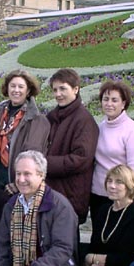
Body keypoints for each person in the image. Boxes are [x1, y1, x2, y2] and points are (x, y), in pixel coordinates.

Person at [45, 68, 99, 225]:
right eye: (55, 90)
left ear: (76, 89)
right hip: (52, 191)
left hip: (71, 193)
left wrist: (44, 163)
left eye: (63, 88)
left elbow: (81, 159)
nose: (58, 94)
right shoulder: (53, 117)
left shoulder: (84, 120)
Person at [90, 80, 134, 221]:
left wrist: (126, 195)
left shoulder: (132, 129)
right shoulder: (100, 127)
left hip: (121, 196)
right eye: (105, 99)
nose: (109, 104)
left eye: (114, 100)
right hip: (98, 193)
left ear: (123, 103)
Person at [0, 70, 50, 194]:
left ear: (28, 91)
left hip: (18, 184)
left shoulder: (36, 119)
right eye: (12, 86)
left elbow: (33, 154)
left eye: (21, 87)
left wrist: (19, 182)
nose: (16, 90)